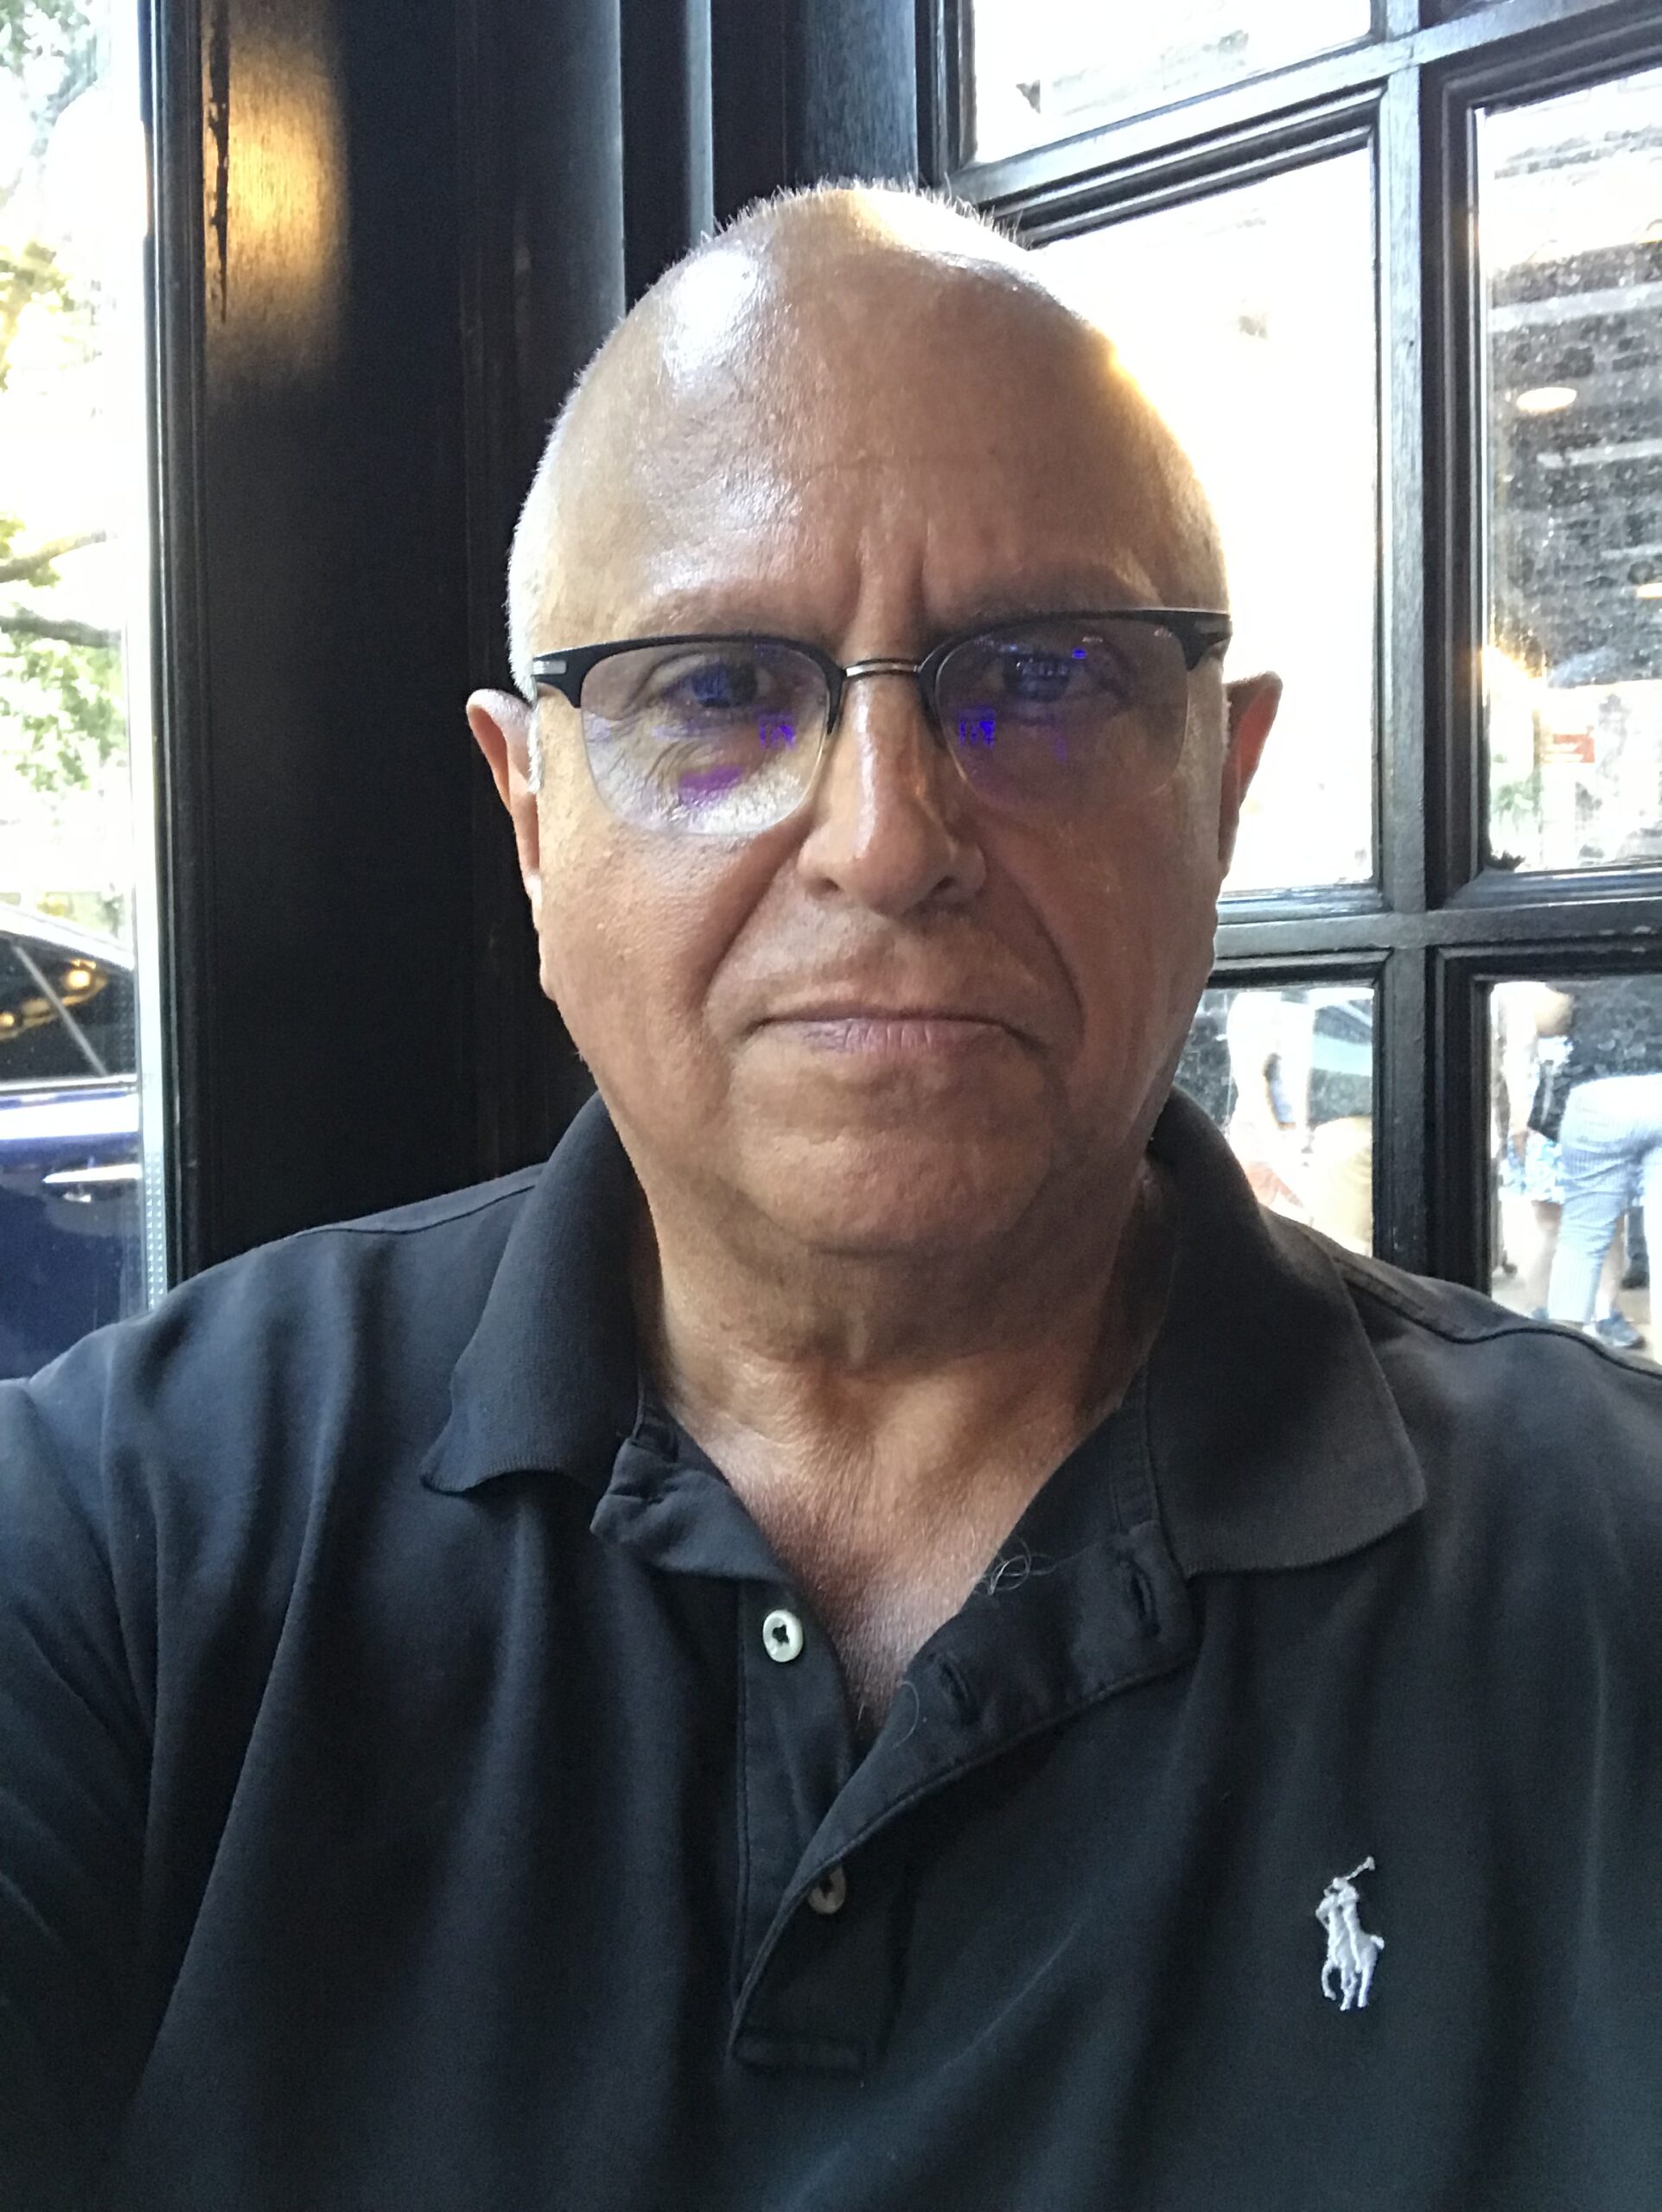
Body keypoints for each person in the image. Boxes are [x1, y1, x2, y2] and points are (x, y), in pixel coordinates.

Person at [2, 186, 1659, 2211]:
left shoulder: (1607, 1576)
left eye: (1041, 675)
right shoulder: (121, 1535)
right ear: (531, 818)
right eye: (716, 688)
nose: (883, 838)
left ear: (1216, 787)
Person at [1543, 974, 1662, 1341]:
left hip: (1598, 1090)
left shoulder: (1581, 949)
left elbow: (1547, 1019)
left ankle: (1563, 1359)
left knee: (1582, 1236)